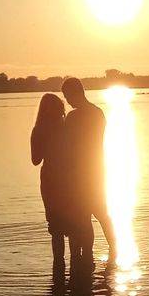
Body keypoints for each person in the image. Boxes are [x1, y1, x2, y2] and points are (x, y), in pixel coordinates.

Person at [30, 93, 92, 267]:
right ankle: (77, 264)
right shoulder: (67, 128)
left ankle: (58, 266)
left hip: (50, 181)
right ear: (60, 109)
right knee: (73, 223)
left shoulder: (38, 131)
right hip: (70, 180)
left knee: (56, 227)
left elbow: (35, 160)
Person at [60, 77, 117, 259]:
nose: (67, 101)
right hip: (97, 169)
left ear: (76, 93)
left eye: (67, 96)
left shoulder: (74, 117)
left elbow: (67, 145)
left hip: (81, 173)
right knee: (100, 213)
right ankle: (112, 249)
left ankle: (87, 255)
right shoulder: (98, 113)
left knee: (85, 216)